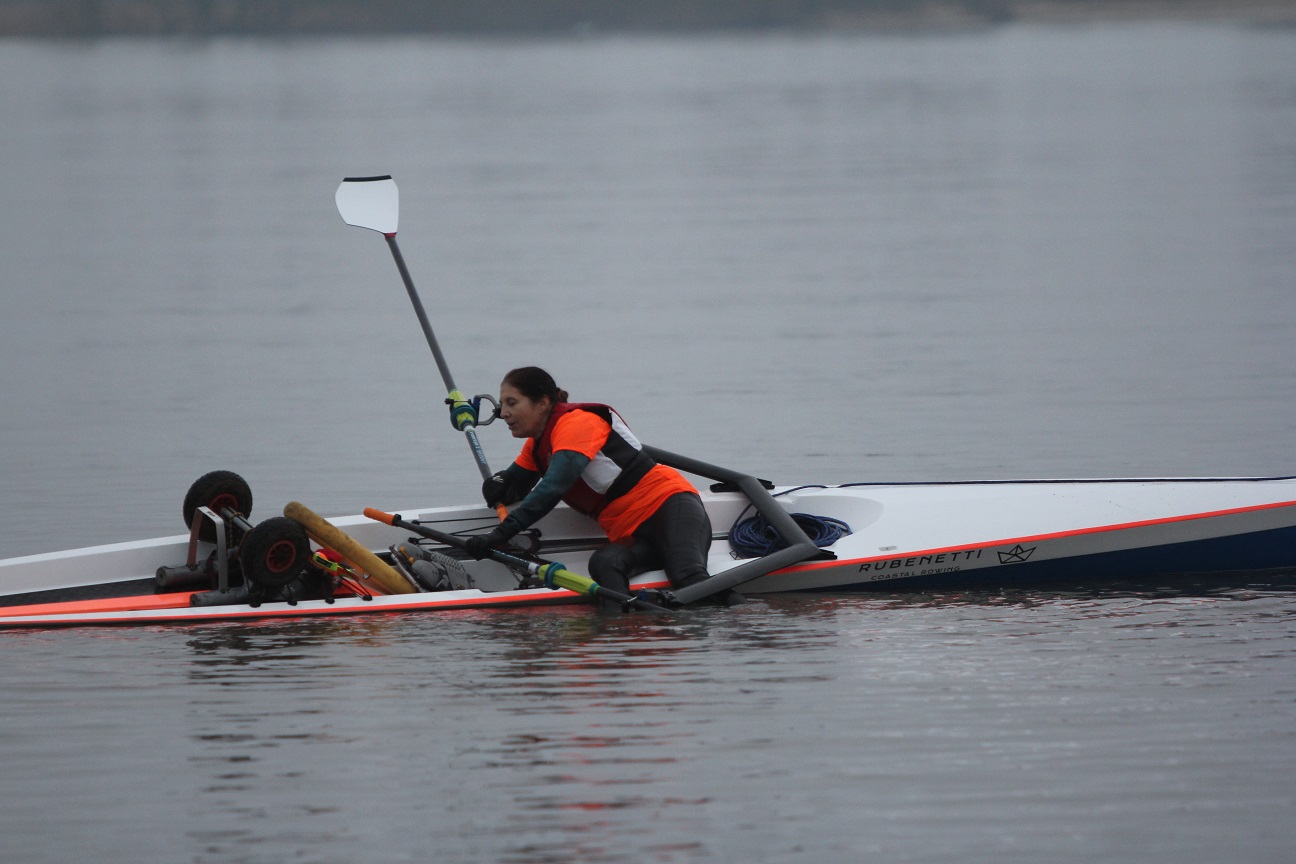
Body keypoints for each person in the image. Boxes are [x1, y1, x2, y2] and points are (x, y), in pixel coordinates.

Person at [463, 366, 742, 607]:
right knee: (603, 564)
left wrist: (498, 535)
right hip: (632, 532)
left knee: (688, 578)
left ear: (542, 403)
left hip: (669, 506)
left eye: (512, 403)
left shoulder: (577, 423)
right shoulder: (535, 447)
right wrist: (496, 485)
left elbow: (551, 489)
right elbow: (514, 487)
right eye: (502, 405)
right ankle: (619, 632)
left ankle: (747, 616)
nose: (504, 413)